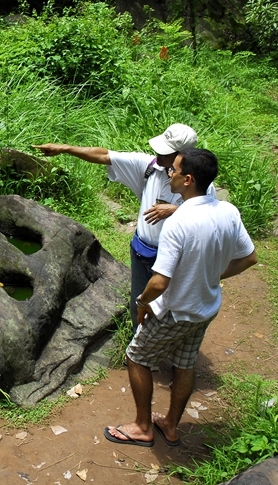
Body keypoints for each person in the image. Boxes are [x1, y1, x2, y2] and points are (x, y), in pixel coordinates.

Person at [103, 148, 258, 447]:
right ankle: (170, 425)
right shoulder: (228, 211)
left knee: (136, 358)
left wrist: (142, 302)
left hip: (175, 310)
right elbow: (249, 257)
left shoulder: (179, 221)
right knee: (184, 364)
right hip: (205, 307)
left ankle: (142, 427)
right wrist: (214, 277)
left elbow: (159, 282)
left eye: (173, 170)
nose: (168, 174)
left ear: (187, 179)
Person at [34, 124, 210, 332]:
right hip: (141, 250)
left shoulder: (202, 185)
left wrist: (175, 210)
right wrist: (64, 148)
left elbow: (207, 218)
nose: (158, 155)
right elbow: (104, 155)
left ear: (184, 156)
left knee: (171, 306)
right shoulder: (150, 167)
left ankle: (166, 347)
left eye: (165, 152)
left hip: (174, 257)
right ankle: (139, 341)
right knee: (139, 300)